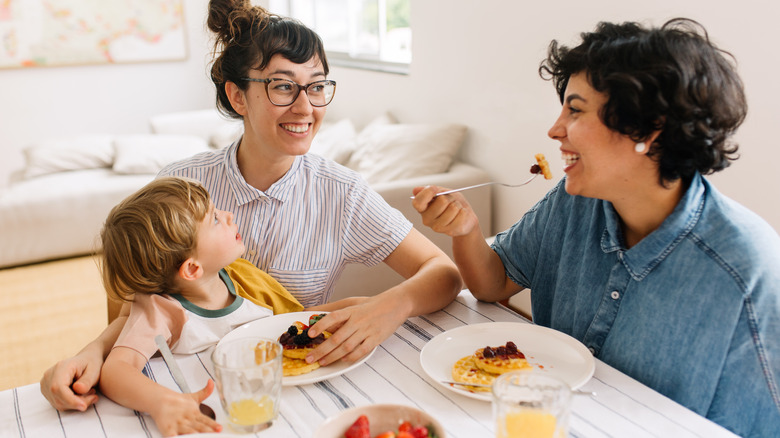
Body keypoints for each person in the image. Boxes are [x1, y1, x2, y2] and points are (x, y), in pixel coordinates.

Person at [40, 0, 461, 412]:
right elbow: (132, 301)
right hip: (193, 393)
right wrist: (95, 351)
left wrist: (387, 309)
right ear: (238, 97)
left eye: (316, 86)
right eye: (282, 86)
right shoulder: (182, 186)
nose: (305, 106)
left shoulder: (342, 193)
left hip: (302, 390)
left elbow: (442, 274)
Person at [413, 18, 779, 437]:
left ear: (649, 128)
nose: (554, 129)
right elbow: (493, 284)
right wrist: (466, 230)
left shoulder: (747, 270)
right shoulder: (573, 202)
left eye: (576, 109)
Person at [97, 177, 357, 436]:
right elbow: (116, 370)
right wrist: (160, 402)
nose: (229, 215)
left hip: (282, 405)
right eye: (215, 220)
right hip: (213, 419)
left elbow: (293, 323)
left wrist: (354, 306)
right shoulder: (161, 310)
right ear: (192, 268)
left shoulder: (241, 277)